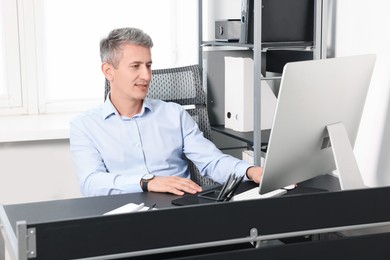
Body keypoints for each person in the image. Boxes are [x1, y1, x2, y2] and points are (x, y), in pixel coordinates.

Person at [70, 27, 262, 196]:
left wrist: (250, 171)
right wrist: (147, 182)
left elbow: (212, 162)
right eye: (135, 66)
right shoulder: (85, 126)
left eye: (148, 65)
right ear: (108, 71)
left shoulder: (174, 114)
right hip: (123, 217)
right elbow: (91, 183)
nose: (146, 76)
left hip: (177, 212)